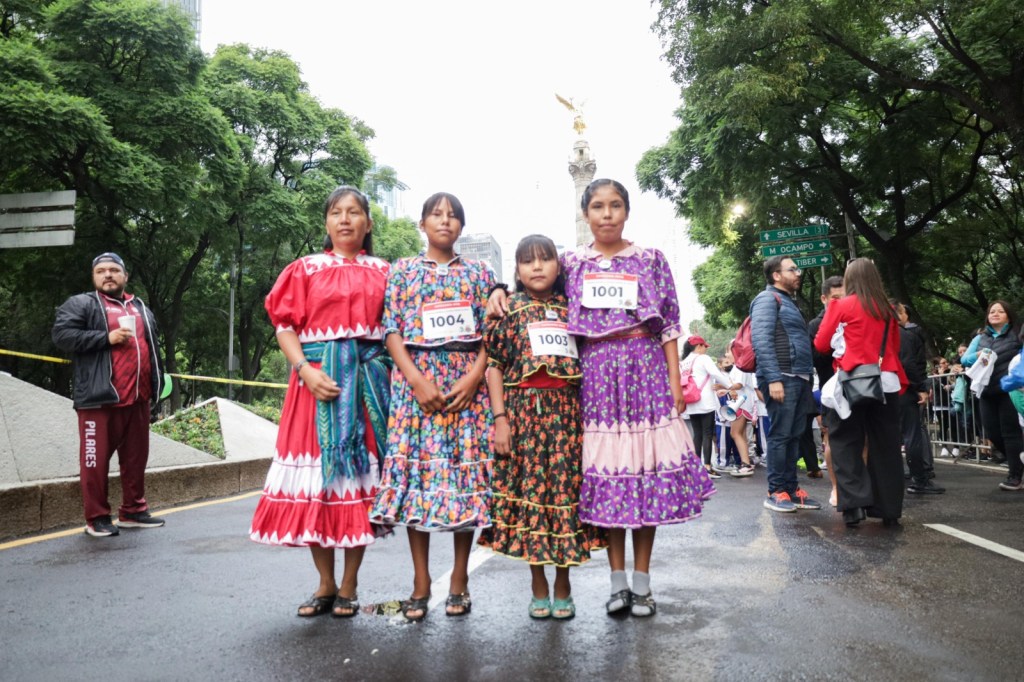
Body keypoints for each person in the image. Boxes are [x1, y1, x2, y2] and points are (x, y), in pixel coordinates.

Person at [488, 178, 714, 617]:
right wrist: (497, 288)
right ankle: (616, 583)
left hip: (645, 370)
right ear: (585, 214)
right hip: (594, 376)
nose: (606, 214)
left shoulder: (650, 259)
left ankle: (643, 583)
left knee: (646, 476)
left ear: (626, 211)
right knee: (610, 475)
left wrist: (673, 381)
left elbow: (669, 325)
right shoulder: (572, 262)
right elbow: (539, 285)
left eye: (614, 206)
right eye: (597, 207)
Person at [248, 187, 391, 617]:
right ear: (326, 222)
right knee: (318, 485)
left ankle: (349, 584)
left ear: (367, 223)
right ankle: (325, 583)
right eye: (336, 213)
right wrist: (305, 371)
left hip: (367, 388)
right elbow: (284, 326)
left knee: (357, 486)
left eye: (354, 213)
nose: (345, 220)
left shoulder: (386, 271)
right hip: (314, 387)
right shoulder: (304, 269)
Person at [369, 192, 495, 621]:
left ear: (461, 226)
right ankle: (421, 581)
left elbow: (491, 334)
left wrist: (473, 377)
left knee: (464, 481)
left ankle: (459, 578)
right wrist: (417, 380)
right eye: (436, 215)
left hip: (466, 387)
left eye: (453, 215)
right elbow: (391, 330)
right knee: (416, 480)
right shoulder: (402, 270)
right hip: (415, 385)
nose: (445, 221)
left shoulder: (480, 272)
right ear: (422, 223)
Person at [482, 234, 605, 620]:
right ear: (516, 270)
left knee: (565, 497)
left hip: (568, 416)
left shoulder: (574, 309)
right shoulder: (508, 310)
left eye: (545, 259)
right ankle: (538, 586)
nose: (537, 267)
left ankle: (564, 585)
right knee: (532, 498)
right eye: (527, 261)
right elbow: (495, 366)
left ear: (559, 266)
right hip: (522, 417)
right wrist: (500, 420)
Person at [52, 253, 167, 538]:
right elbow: (62, 336)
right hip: (99, 400)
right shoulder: (83, 304)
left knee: (136, 460)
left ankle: (133, 511)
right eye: (101, 271)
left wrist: (156, 389)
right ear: (94, 277)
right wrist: (106, 337)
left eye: (114, 270)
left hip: (138, 400)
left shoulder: (141, 308)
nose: (108, 275)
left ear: (125, 276)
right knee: (94, 462)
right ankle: (97, 517)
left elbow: (153, 351)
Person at [814, 258, 908, 527]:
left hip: (853, 382)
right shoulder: (888, 310)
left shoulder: (840, 305)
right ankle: (889, 508)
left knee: (845, 441)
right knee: (886, 445)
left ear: (850, 279)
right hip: (886, 382)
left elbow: (821, 344)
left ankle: (854, 506)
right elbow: (894, 347)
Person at [749, 256, 822, 513]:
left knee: (794, 436)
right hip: (782, 376)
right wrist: (773, 379)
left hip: (800, 377)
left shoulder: (790, 302)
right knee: (781, 435)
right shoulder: (767, 299)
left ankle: (791, 490)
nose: (798, 273)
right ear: (777, 275)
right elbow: (762, 340)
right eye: (792, 269)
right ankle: (775, 491)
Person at [961, 301, 1024, 490]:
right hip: (986, 391)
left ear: (1009, 315)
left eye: (1000, 311)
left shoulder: (1016, 333)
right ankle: (1019, 463)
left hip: (1009, 390)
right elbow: (964, 359)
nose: (995, 314)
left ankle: (1015, 476)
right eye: (992, 311)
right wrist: (979, 354)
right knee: (992, 432)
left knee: (1010, 433)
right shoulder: (981, 338)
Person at [893, 301, 945, 495]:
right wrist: (920, 388)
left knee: (891, 437)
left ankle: (893, 479)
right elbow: (908, 364)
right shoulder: (904, 335)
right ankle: (920, 480)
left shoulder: (877, 335)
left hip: (883, 391)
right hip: (903, 390)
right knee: (912, 434)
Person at [807, 276, 845, 506]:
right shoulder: (815, 325)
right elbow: (813, 356)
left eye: (845, 297)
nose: (841, 303)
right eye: (835, 299)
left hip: (858, 387)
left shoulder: (855, 317)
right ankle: (836, 488)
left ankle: (859, 485)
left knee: (863, 440)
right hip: (830, 389)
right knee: (832, 439)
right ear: (824, 298)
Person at [682, 335, 736, 479]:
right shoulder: (703, 359)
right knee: (707, 433)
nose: (706, 349)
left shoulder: (685, 361)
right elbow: (716, 373)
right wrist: (731, 386)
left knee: (697, 434)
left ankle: (696, 467)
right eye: (705, 346)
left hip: (691, 400)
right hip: (705, 401)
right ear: (699, 346)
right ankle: (707, 466)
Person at [724, 346, 759, 477]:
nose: (726, 355)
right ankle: (746, 462)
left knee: (735, 433)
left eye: (728, 351)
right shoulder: (738, 366)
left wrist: (723, 387)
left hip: (741, 403)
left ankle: (746, 464)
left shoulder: (740, 366)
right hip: (741, 403)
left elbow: (738, 385)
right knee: (741, 434)